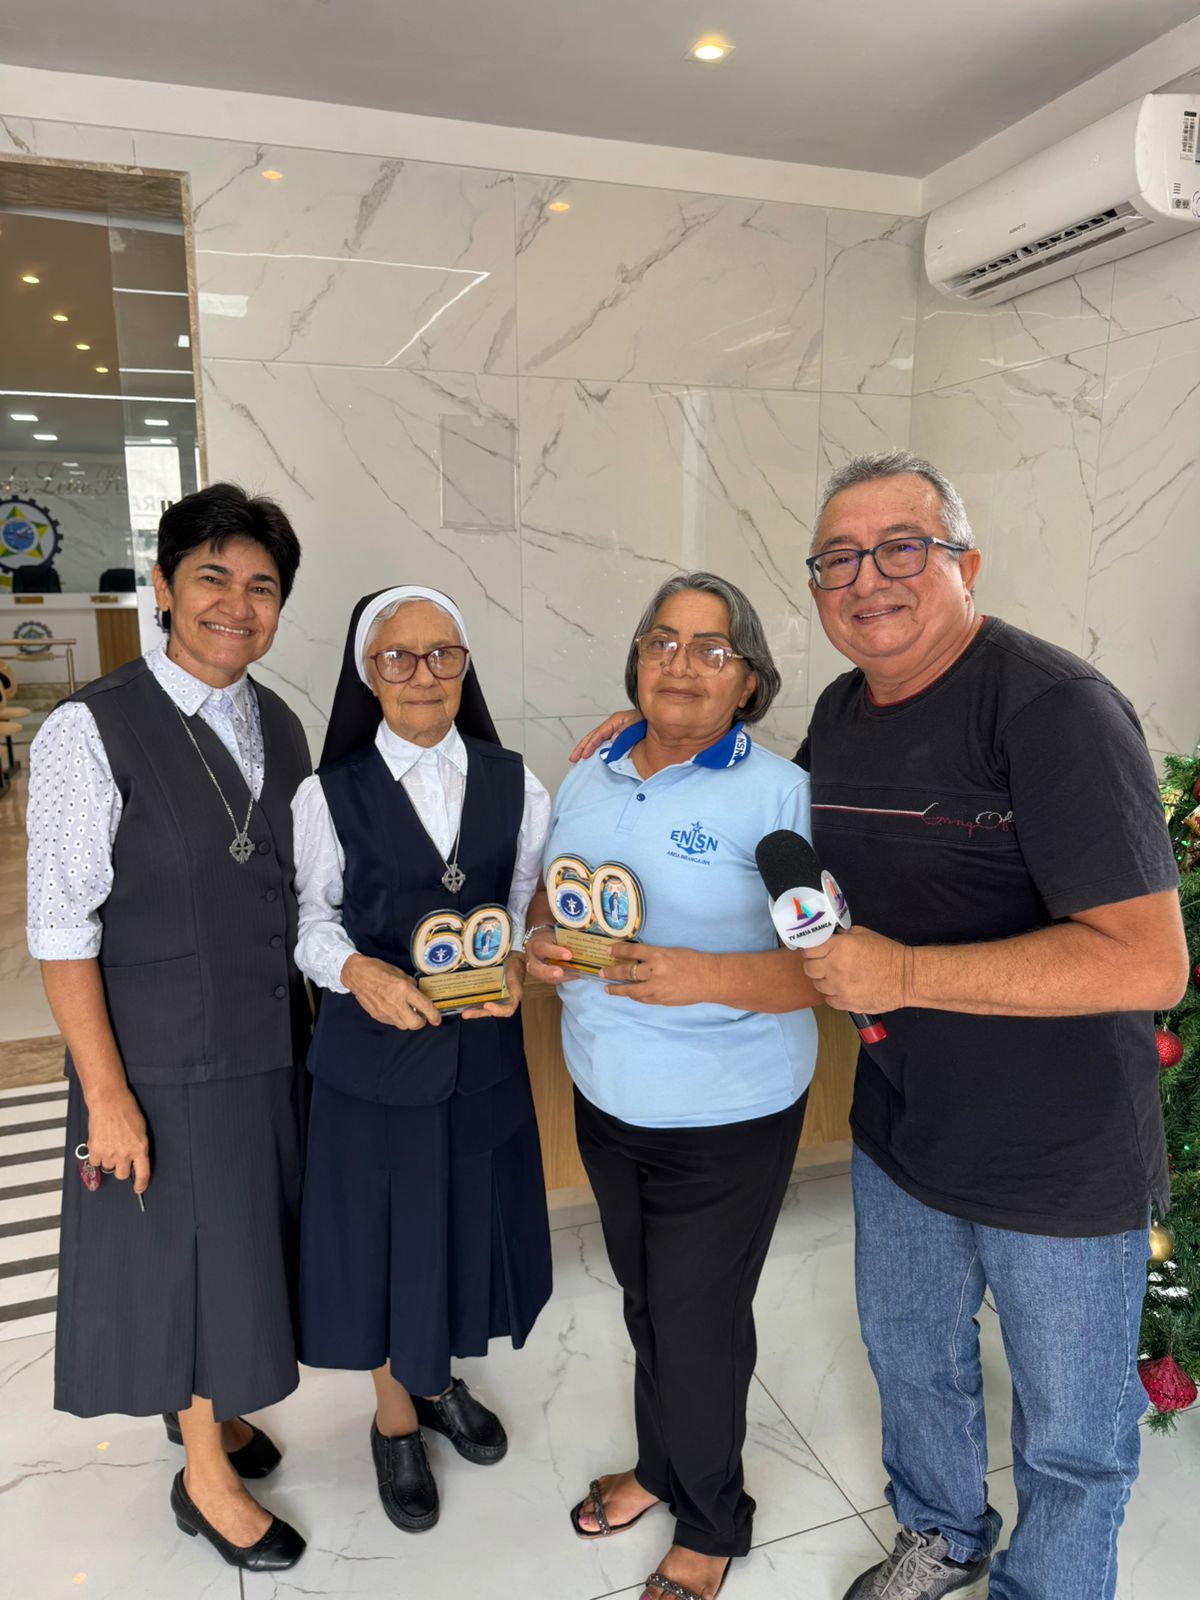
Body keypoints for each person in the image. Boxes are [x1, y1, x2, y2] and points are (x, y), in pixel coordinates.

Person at [795, 452, 1185, 1600]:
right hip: (903, 1129)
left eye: (901, 547)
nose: (868, 579)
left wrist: (902, 970)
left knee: (1072, 1435)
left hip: (1059, 1158)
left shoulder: (1053, 708)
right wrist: (658, 737)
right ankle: (943, 1533)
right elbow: (784, 841)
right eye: (837, 559)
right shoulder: (840, 711)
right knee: (913, 1361)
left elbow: (1148, 960)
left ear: (966, 563)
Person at [26, 483, 312, 1572]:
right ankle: (204, 1477)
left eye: (262, 587)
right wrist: (105, 1096)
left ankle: (218, 1412)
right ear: (162, 586)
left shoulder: (279, 722)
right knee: (187, 1261)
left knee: (240, 1249)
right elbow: (61, 932)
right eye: (211, 577)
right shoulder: (87, 730)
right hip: (158, 1059)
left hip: (267, 1046)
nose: (236, 605)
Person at [525, 572, 822, 1600]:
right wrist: (538, 942)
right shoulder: (591, 771)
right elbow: (551, 897)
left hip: (728, 1111)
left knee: (698, 1324)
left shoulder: (779, 793)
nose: (681, 664)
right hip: (607, 1096)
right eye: (662, 641)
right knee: (650, 1302)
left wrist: (702, 975)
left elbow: (826, 971)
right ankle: (661, 1467)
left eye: (711, 648)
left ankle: (712, 1521)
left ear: (749, 681)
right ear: (636, 661)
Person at [291, 585, 553, 1535]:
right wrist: (357, 970)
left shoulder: (517, 783)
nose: (422, 674)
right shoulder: (327, 793)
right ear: (368, 674)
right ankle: (394, 1416)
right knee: (378, 1240)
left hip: (479, 1057)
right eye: (397, 657)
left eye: (443, 654)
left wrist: (517, 960)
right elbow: (310, 921)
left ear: (464, 665)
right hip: (372, 1065)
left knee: (457, 1225)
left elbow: (523, 903)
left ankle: (436, 1380)